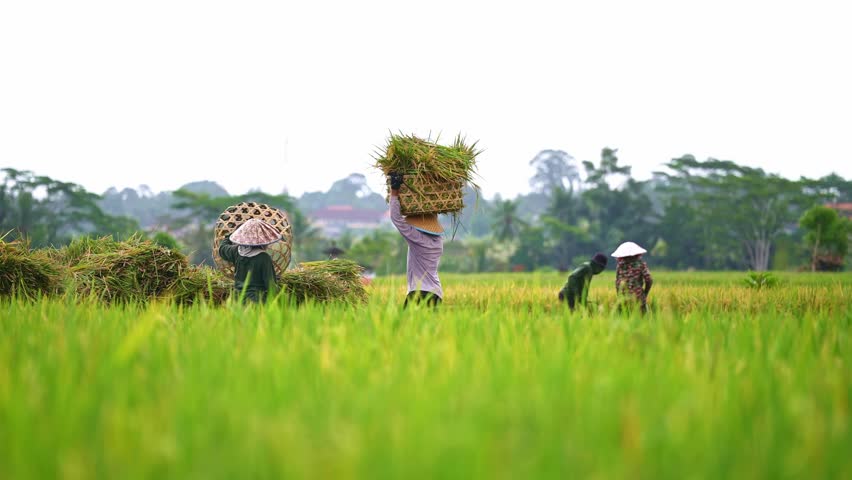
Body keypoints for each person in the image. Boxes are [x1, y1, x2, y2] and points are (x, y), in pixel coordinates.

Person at [388, 172, 444, 307]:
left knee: (406, 327)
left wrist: (394, 191)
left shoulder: (418, 239)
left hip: (419, 292)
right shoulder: (439, 242)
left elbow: (396, 219)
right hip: (437, 293)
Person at [218, 218, 282, 303]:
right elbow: (271, 286)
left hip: (237, 300)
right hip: (256, 301)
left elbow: (222, 248)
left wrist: (231, 236)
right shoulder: (263, 257)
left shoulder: (236, 251)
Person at [611, 241, 653, 313]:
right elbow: (649, 280)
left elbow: (617, 283)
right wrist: (645, 293)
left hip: (623, 300)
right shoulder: (641, 264)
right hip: (638, 299)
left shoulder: (620, 266)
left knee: (624, 322)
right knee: (643, 322)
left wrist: (620, 296)